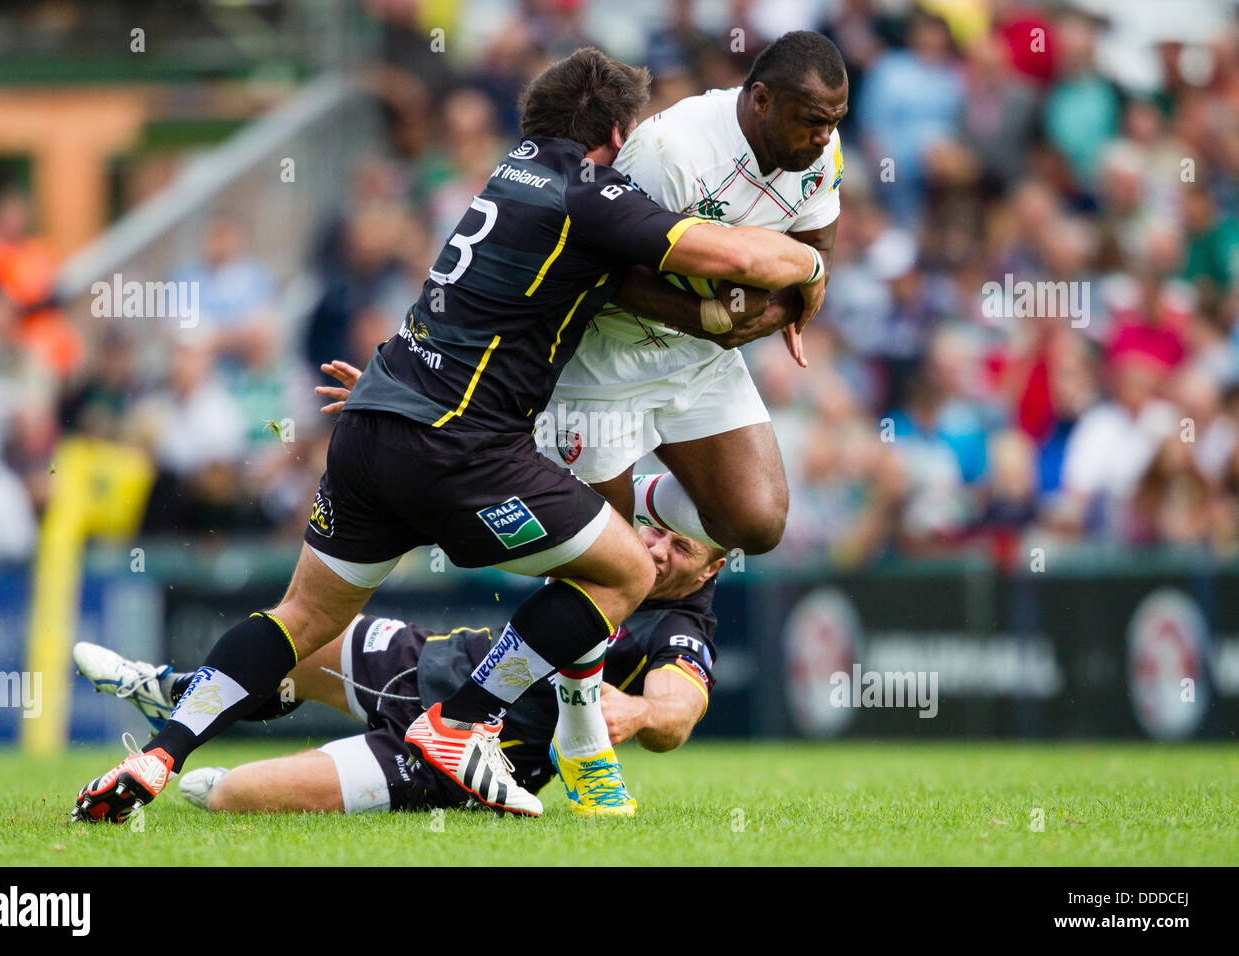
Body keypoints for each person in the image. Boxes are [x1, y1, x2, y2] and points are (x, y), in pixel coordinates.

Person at [71, 47, 828, 823]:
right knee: (624, 572)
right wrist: (810, 261)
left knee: (300, 617)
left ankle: (160, 754)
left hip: (375, 422)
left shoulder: (509, 173)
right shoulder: (593, 190)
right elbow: (733, 251)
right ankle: (462, 725)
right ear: (615, 130)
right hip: (460, 447)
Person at [73, 525, 723, 816]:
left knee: (230, 799)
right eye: (654, 531)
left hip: (468, 760)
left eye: (681, 547)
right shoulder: (614, 546)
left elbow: (677, 711)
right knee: (296, 632)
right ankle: (175, 696)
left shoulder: (680, 628)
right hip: (431, 661)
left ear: (713, 567)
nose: (656, 550)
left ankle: (201, 743)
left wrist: (637, 712)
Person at [542, 31, 848, 557]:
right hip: (605, 351)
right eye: (814, 121)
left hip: (700, 355)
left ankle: (638, 496)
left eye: (835, 122)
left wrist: (769, 314)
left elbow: (815, 249)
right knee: (602, 567)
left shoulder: (821, 150)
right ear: (762, 100)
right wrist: (706, 315)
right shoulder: (672, 151)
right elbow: (602, 270)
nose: (825, 138)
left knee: (756, 525)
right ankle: (585, 497)